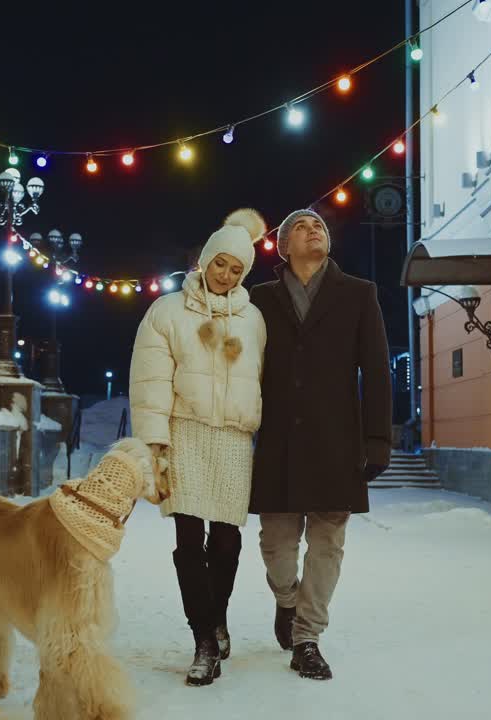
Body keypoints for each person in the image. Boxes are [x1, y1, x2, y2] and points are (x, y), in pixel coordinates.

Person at [248, 208, 392, 681]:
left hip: (337, 441)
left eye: (321, 227)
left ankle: (307, 637)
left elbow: (375, 370)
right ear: (282, 246)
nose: (314, 232)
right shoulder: (260, 300)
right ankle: (287, 601)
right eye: (302, 228)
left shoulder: (358, 293)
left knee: (328, 543)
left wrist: (377, 438)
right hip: (277, 440)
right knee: (277, 544)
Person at [129, 209, 268, 686]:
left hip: (232, 437)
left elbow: (262, 380)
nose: (226, 275)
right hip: (184, 432)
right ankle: (203, 640)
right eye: (220, 263)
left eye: (237, 268)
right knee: (189, 542)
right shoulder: (167, 311)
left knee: (226, 540)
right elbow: (148, 382)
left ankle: (217, 616)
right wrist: (155, 445)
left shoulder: (253, 319)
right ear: (205, 260)